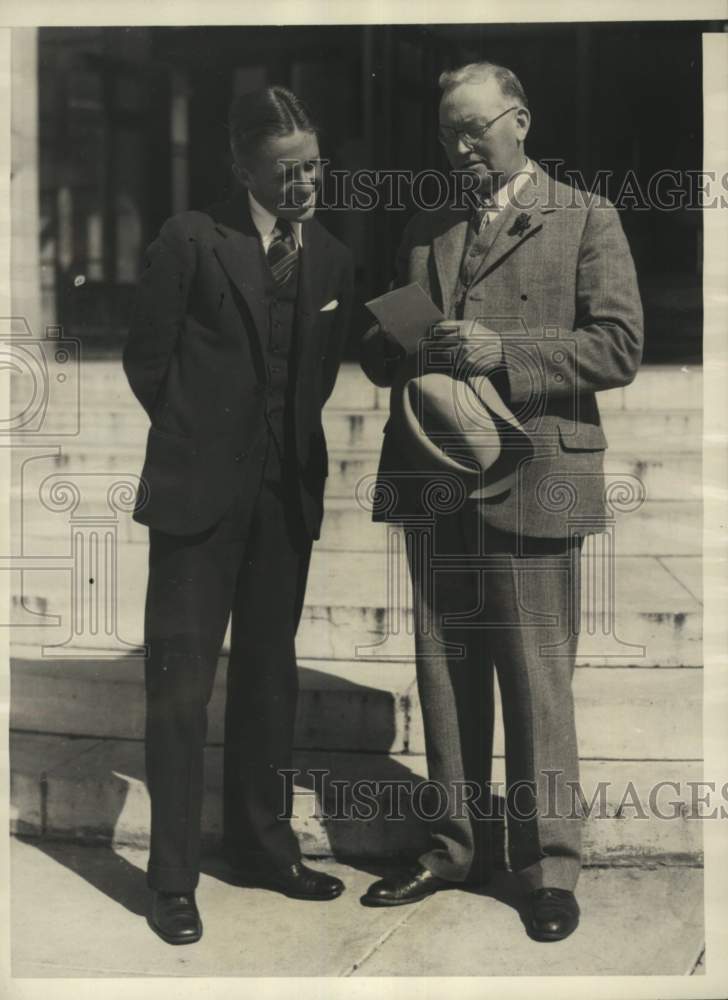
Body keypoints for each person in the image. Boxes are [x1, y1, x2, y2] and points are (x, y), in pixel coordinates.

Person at [359, 61, 643, 941]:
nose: (461, 145)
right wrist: (397, 341)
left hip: (536, 471)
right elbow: (380, 351)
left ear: (519, 121)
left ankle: (547, 867)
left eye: (475, 128)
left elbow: (620, 345)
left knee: (535, 677)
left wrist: (504, 351)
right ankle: (451, 846)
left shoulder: (587, 216)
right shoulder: (426, 223)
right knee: (443, 673)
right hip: (437, 470)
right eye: (449, 131)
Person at [123, 85, 354, 945]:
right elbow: (148, 359)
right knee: (180, 688)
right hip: (197, 497)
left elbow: (321, 373)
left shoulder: (329, 256)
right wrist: (202, 440)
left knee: (270, 675)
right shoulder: (192, 238)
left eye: (315, 166)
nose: (305, 184)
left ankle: (262, 846)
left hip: (284, 499)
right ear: (243, 168)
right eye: (287, 171)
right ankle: (172, 878)